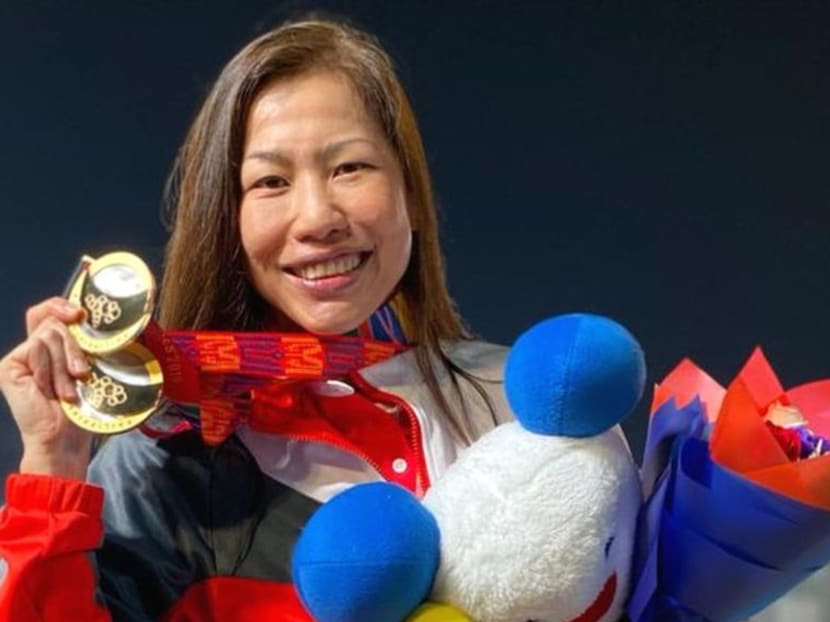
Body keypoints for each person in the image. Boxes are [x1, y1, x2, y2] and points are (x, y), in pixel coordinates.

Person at [0, 17, 512, 621]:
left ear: (412, 194)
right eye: (271, 181)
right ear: (229, 222)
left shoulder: (516, 404)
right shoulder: (169, 459)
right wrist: (55, 462)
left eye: (350, 168)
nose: (318, 216)